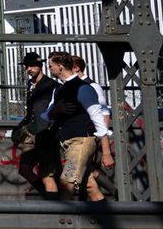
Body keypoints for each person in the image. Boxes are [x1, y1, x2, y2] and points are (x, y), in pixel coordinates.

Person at [43, 51, 98, 201]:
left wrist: (105, 151)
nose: (49, 69)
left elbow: (98, 117)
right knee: (89, 186)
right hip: (67, 141)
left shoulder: (84, 87)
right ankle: (107, 214)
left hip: (81, 141)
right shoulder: (59, 89)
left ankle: (63, 220)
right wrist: (57, 109)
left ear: (60, 67)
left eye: (50, 66)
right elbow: (47, 115)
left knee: (66, 183)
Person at [15, 51, 59, 196]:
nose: (29, 69)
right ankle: (48, 197)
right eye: (27, 66)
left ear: (40, 66)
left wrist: (50, 127)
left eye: (33, 65)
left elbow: (58, 109)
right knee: (24, 168)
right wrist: (21, 126)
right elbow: (31, 111)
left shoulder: (51, 85)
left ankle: (54, 204)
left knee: (48, 174)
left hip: (47, 134)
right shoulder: (30, 84)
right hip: (36, 134)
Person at [75, 59, 114, 202]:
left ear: (77, 68)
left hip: (90, 135)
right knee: (87, 172)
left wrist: (101, 138)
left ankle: (114, 195)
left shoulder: (91, 86)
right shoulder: (75, 86)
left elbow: (104, 113)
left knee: (86, 173)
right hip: (82, 134)